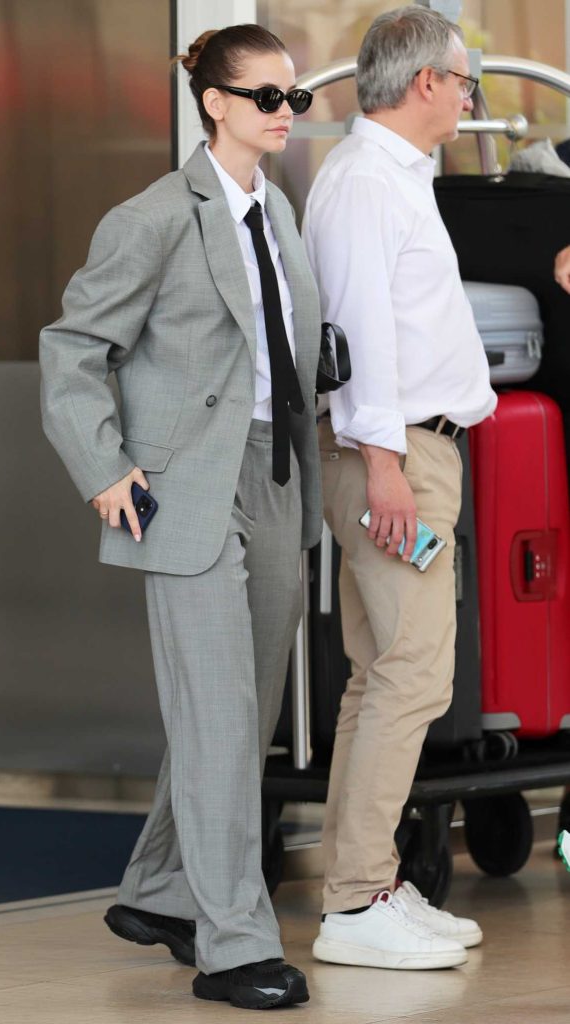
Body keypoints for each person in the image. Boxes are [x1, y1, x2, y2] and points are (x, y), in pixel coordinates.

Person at [39, 24, 323, 1010]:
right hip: (180, 490)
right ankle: (235, 942)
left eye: (295, 98)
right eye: (267, 98)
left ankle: (163, 889)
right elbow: (72, 344)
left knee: (236, 714)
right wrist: (102, 466)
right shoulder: (156, 214)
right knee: (217, 720)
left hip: (276, 475)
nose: (285, 114)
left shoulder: (277, 213)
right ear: (214, 103)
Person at [302, 6, 497, 970]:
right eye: (465, 81)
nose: (469, 97)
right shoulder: (364, 185)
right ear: (425, 83)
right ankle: (354, 901)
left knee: (384, 675)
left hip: (415, 453)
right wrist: (384, 466)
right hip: (395, 458)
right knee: (412, 672)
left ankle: (365, 885)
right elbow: (358, 339)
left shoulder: (393, 178)